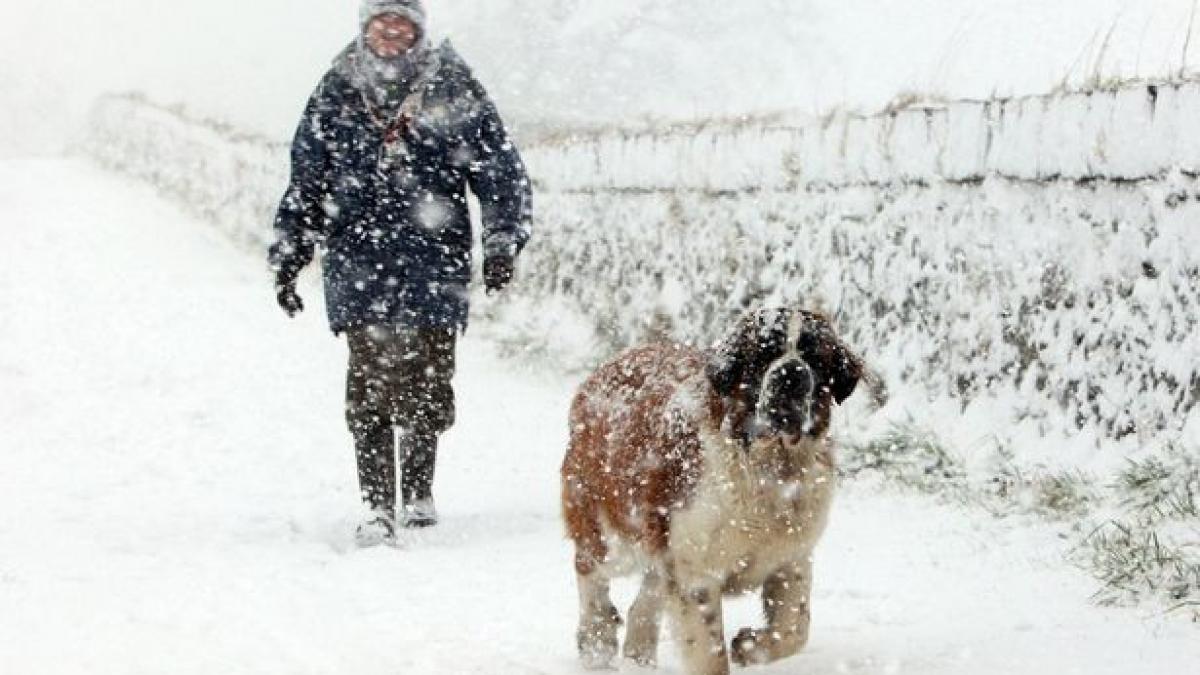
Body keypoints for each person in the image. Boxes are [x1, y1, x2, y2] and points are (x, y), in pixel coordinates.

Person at [268, 0, 532, 546]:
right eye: (380, 23)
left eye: (402, 23)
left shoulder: (453, 87)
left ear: (418, 30)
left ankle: (417, 490)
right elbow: (307, 178)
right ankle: (377, 504)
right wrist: (290, 256)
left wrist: (503, 240)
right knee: (369, 380)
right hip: (358, 257)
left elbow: (498, 169)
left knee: (430, 381)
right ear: (365, 30)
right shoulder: (336, 90)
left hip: (435, 259)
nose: (391, 32)